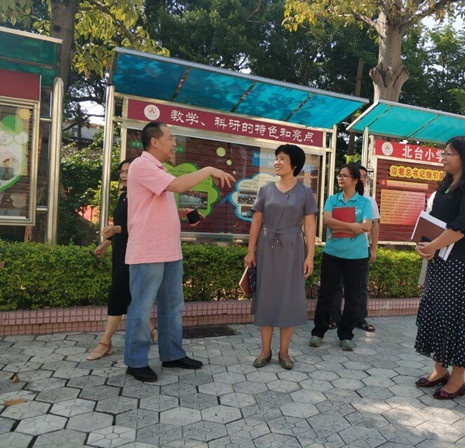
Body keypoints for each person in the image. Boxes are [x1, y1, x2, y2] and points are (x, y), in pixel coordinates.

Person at [124, 121, 235, 382]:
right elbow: (178, 186)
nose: (175, 143)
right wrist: (208, 169)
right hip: (147, 251)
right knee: (142, 308)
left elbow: (152, 206)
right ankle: (136, 361)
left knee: (172, 305)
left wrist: (180, 212)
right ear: (155, 141)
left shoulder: (160, 169)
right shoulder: (142, 165)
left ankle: (172, 354)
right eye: (171, 138)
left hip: (169, 251)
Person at [414, 136, 465, 400]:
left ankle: (458, 380)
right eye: (443, 153)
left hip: (460, 264)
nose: (443, 157)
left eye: (449, 153)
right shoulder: (445, 186)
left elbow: (462, 227)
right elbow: (434, 221)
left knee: (458, 319)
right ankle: (439, 370)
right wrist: (425, 244)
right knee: (437, 315)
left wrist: (433, 245)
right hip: (438, 260)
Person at [244, 144, 317, 370]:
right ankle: (265, 350)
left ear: (294, 164)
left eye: (282, 158)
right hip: (266, 248)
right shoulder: (265, 190)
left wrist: (310, 256)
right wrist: (250, 250)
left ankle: (284, 352)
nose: (276, 162)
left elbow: (310, 225)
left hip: (293, 248)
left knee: (289, 298)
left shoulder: (305, 193)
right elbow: (257, 221)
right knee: (266, 297)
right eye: (276, 158)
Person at [87, 158, 157, 361]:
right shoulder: (124, 196)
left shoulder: (141, 196)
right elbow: (120, 225)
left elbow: (145, 225)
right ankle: (152, 330)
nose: (124, 175)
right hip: (120, 251)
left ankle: (105, 342)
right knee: (130, 294)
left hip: (134, 252)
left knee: (117, 293)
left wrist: (117, 229)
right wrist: (106, 243)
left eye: (128, 171)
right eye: (122, 171)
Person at [309, 163, 372, 351]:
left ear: (355, 180)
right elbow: (327, 220)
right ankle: (318, 332)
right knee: (326, 295)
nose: (340, 178)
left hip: (357, 256)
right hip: (333, 254)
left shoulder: (364, 202)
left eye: (344, 175)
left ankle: (345, 335)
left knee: (353, 297)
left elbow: (367, 226)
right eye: (339, 175)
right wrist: (352, 227)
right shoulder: (332, 199)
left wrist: (341, 225)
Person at [329, 165, 380, 332]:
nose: (363, 179)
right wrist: (352, 227)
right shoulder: (337, 198)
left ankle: (359, 318)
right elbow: (329, 221)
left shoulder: (369, 201)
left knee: (360, 286)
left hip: (360, 250)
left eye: (365, 176)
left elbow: (374, 226)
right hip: (339, 247)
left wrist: (374, 248)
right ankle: (334, 318)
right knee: (336, 285)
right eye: (360, 175)